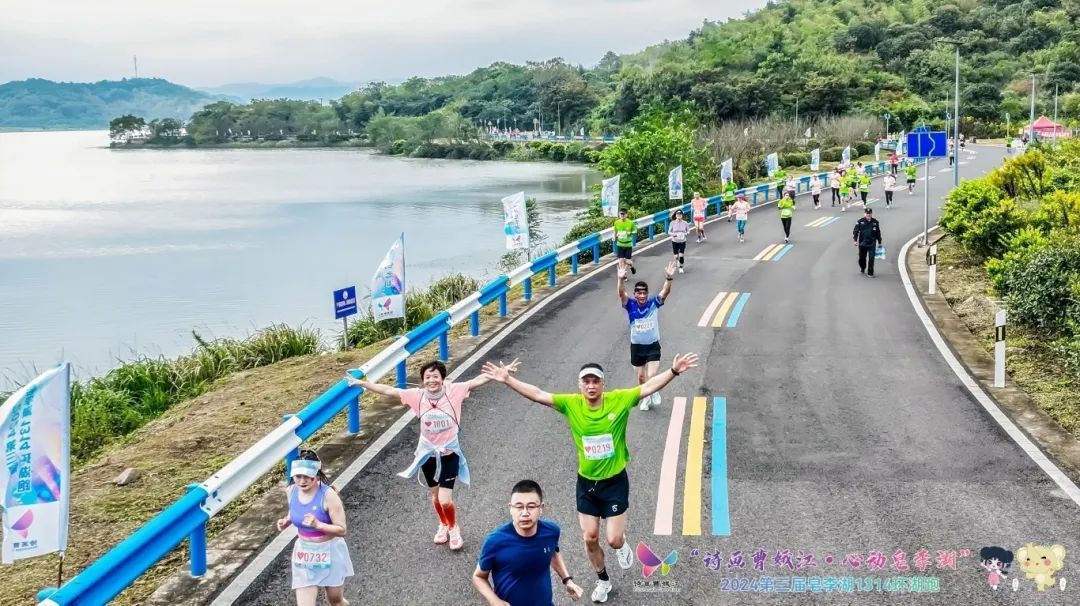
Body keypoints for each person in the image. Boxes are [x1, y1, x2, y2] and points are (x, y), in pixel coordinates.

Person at [480, 354, 700, 604]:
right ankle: (603, 580)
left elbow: (648, 387)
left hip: (614, 482)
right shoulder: (571, 404)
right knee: (590, 537)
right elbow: (539, 394)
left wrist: (673, 370)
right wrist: (508, 380)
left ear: (603, 384)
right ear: (580, 385)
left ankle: (622, 544)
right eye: (586, 381)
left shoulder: (619, 400)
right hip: (586, 483)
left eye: (596, 381)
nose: (591, 386)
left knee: (613, 539)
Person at [345, 360, 504, 550]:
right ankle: (443, 524)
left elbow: (476, 381)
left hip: (449, 452)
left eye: (435, 376)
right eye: (427, 377)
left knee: (445, 500)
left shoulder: (454, 391)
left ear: (443, 378)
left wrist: (500, 374)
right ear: (422, 380)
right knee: (436, 497)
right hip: (427, 454)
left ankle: (453, 528)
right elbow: (389, 390)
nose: (431, 380)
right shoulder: (417, 396)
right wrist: (362, 383)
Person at [473, 480, 584, 606]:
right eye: (519, 507)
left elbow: (553, 553)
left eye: (531, 506)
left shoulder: (551, 531)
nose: (525, 513)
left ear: (541, 508)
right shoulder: (495, 541)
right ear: (510, 508)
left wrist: (567, 580)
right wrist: (494, 601)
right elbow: (479, 577)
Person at [277, 450, 353, 606]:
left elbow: (342, 530)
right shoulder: (291, 491)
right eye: (298, 476)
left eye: (307, 476)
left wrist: (319, 525)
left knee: (335, 600)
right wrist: (287, 520)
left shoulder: (329, 496)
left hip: (330, 551)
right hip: (304, 553)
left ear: (317, 475)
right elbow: (296, 510)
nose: (302, 481)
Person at [617, 261, 676, 410]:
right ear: (635, 294)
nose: (642, 295)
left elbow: (665, 292)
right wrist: (620, 279)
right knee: (641, 377)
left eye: (644, 293)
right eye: (639, 293)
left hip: (652, 345)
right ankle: (646, 397)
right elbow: (621, 293)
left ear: (647, 294)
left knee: (652, 374)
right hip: (637, 347)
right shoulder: (630, 305)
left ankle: (653, 391)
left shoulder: (653, 303)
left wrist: (668, 278)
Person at [853, 207, 883, 277]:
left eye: (869, 213)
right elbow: (856, 231)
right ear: (865, 214)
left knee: (871, 258)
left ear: (871, 214)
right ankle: (863, 268)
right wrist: (855, 240)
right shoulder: (860, 221)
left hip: (872, 243)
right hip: (862, 243)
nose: (868, 215)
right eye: (867, 213)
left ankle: (870, 272)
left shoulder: (875, 222)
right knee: (862, 258)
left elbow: (878, 232)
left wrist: (879, 242)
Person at [613, 209, 636, 275]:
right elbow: (615, 231)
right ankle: (623, 275)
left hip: (628, 245)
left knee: (627, 261)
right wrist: (614, 236)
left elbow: (635, 231)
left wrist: (630, 233)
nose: (622, 215)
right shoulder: (616, 222)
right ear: (619, 215)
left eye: (623, 214)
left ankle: (632, 267)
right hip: (620, 244)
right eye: (621, 214)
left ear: (626, 215)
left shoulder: (630, 222)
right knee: (620, 260)